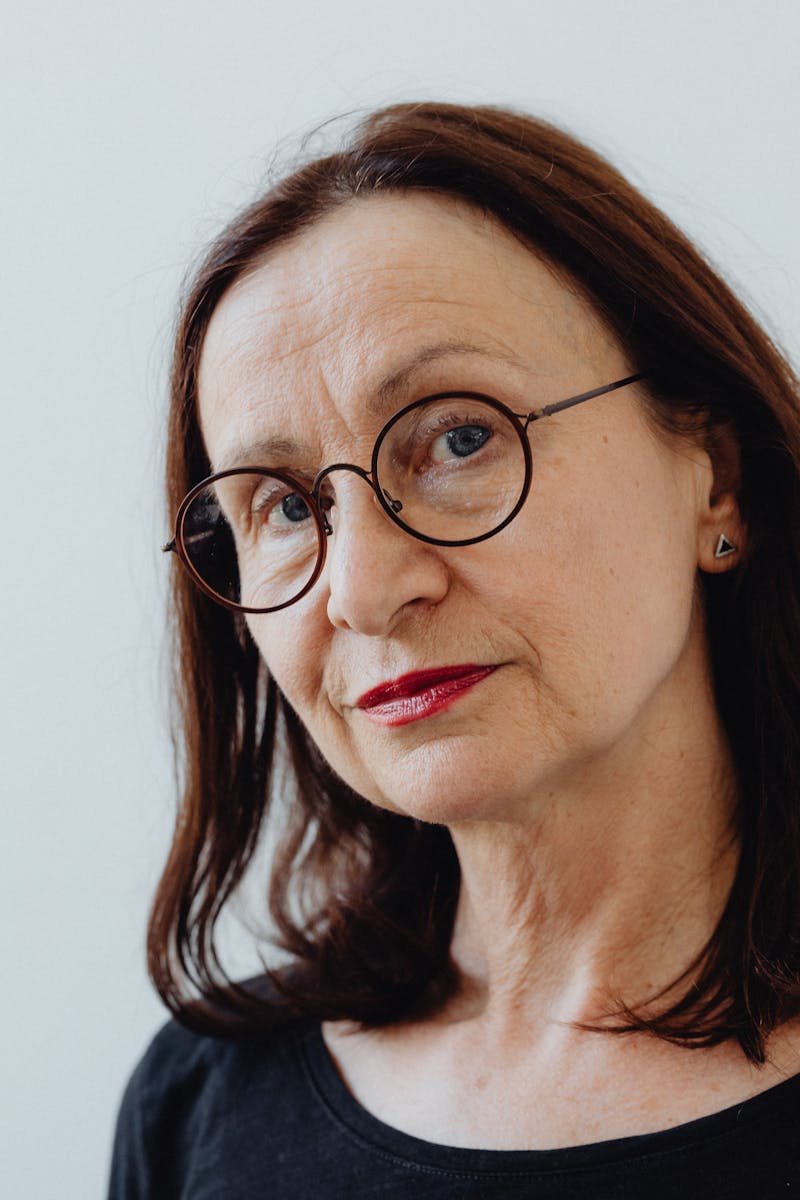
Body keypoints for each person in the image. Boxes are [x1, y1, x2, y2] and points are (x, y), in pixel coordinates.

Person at [108, 101, 800, 1197]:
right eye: (283, 507)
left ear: (713, 477)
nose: (367, 591)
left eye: (460, 438)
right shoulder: (201, 1103)